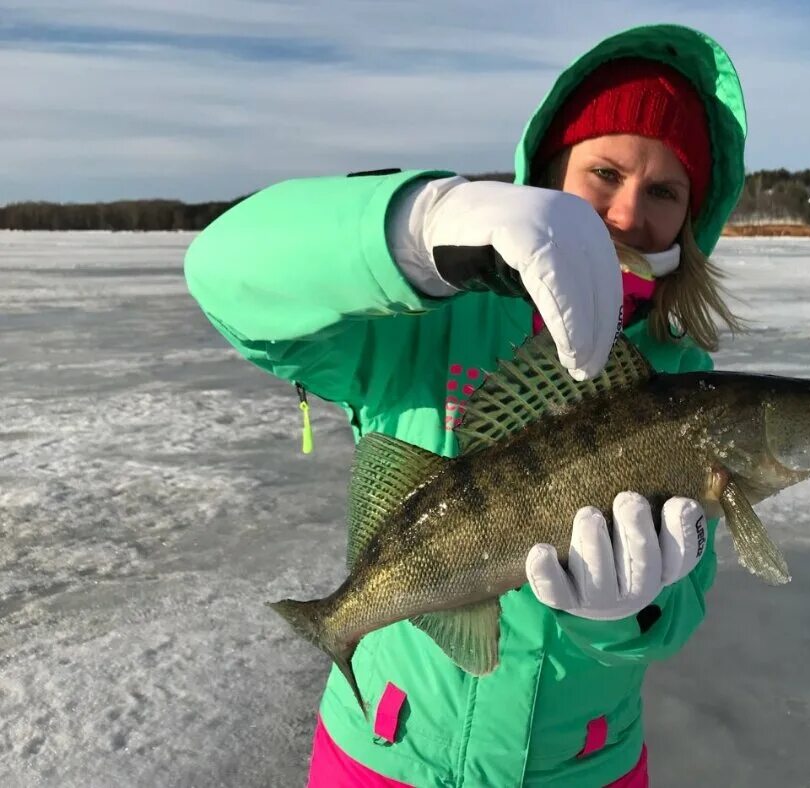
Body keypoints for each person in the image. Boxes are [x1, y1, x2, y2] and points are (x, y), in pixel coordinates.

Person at [184, 22, 746, 788]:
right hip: (385, 757)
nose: (624, 213)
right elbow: (226, 273)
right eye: (604, 173)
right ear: (547, 180)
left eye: (663, 191)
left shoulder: (684, 381)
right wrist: (416, 230)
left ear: (691, 215)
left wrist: (629, 614)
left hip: (583, 768)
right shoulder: (422, 325)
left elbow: (678, 614)